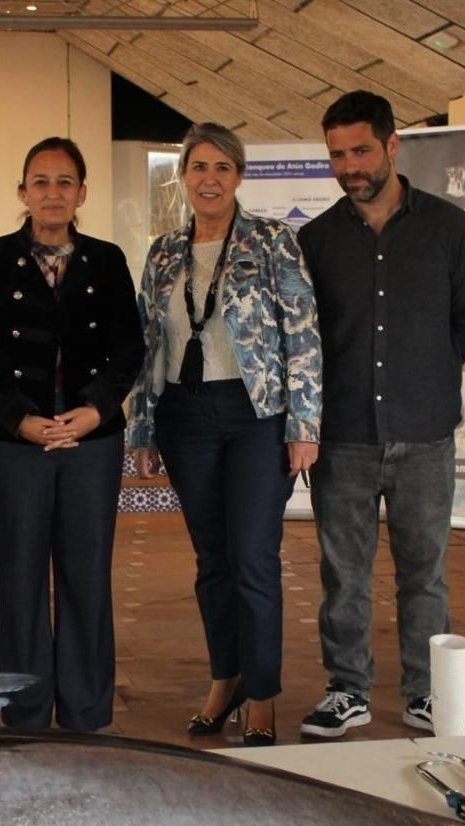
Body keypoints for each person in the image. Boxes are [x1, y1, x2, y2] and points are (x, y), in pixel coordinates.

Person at [296, 90, 465, 739]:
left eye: (360, 150)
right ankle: (347, 688)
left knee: (424, 573)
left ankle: (426, 692)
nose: (349, 166)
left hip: (425, 433)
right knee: (343, 574)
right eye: (337, 155)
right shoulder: (316, 240)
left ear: (391, 145)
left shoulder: (448, 228)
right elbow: (305, 340)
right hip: (343, 438)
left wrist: (424, 376)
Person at [128, 123, 322, 748]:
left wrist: (304, 425)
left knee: (254, 561)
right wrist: (142, 426)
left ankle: (261, 695)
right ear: (182, 177)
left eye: (221, 167)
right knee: (212, 561)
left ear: (238, 176)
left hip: (255, 417)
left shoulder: (272, 241)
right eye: (198, 168)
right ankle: (225, 678)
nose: (209, 179)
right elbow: (147, 344)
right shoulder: (163, 252)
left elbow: (303, 336)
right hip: (185, 417)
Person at [0, 137, 144, 731]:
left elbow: (128, 346)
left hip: (91, 441)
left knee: (87, 574)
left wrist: (94, 409)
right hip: (17, 444)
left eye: (65, 182)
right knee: (20, 576)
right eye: (41, 181)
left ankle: (87, 711)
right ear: (22, 192)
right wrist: (20, 419)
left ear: (81, 193)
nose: (53, 193)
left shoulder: (107, 260)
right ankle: (26, 712)